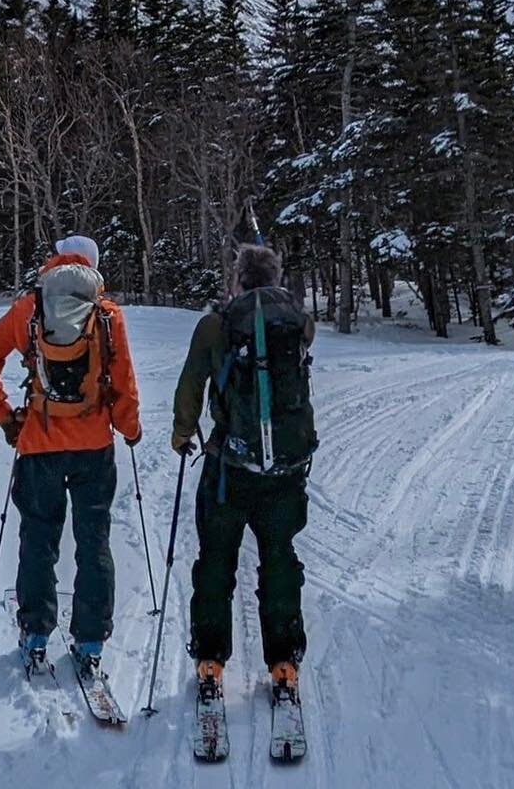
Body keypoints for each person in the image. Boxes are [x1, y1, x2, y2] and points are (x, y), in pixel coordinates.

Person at [0, 235, 141, 676]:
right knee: (93, 541)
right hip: (93, 447)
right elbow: (123, 382)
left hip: (39, 444)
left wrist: (6, 417)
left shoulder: (28, 309)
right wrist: (130, 429)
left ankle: (35, 632)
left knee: (38, 537)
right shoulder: (107, 316)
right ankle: (89, 641)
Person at [171, 242, 317, 713]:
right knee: (279, 560)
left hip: (229, 468)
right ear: (275, 277)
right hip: (285, 470)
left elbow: (192, 382)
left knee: (216, 560)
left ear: (238, 278)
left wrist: (182, 432)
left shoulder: (216, 324)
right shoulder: (297, 320)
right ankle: (284, 663)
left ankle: (211, 660)